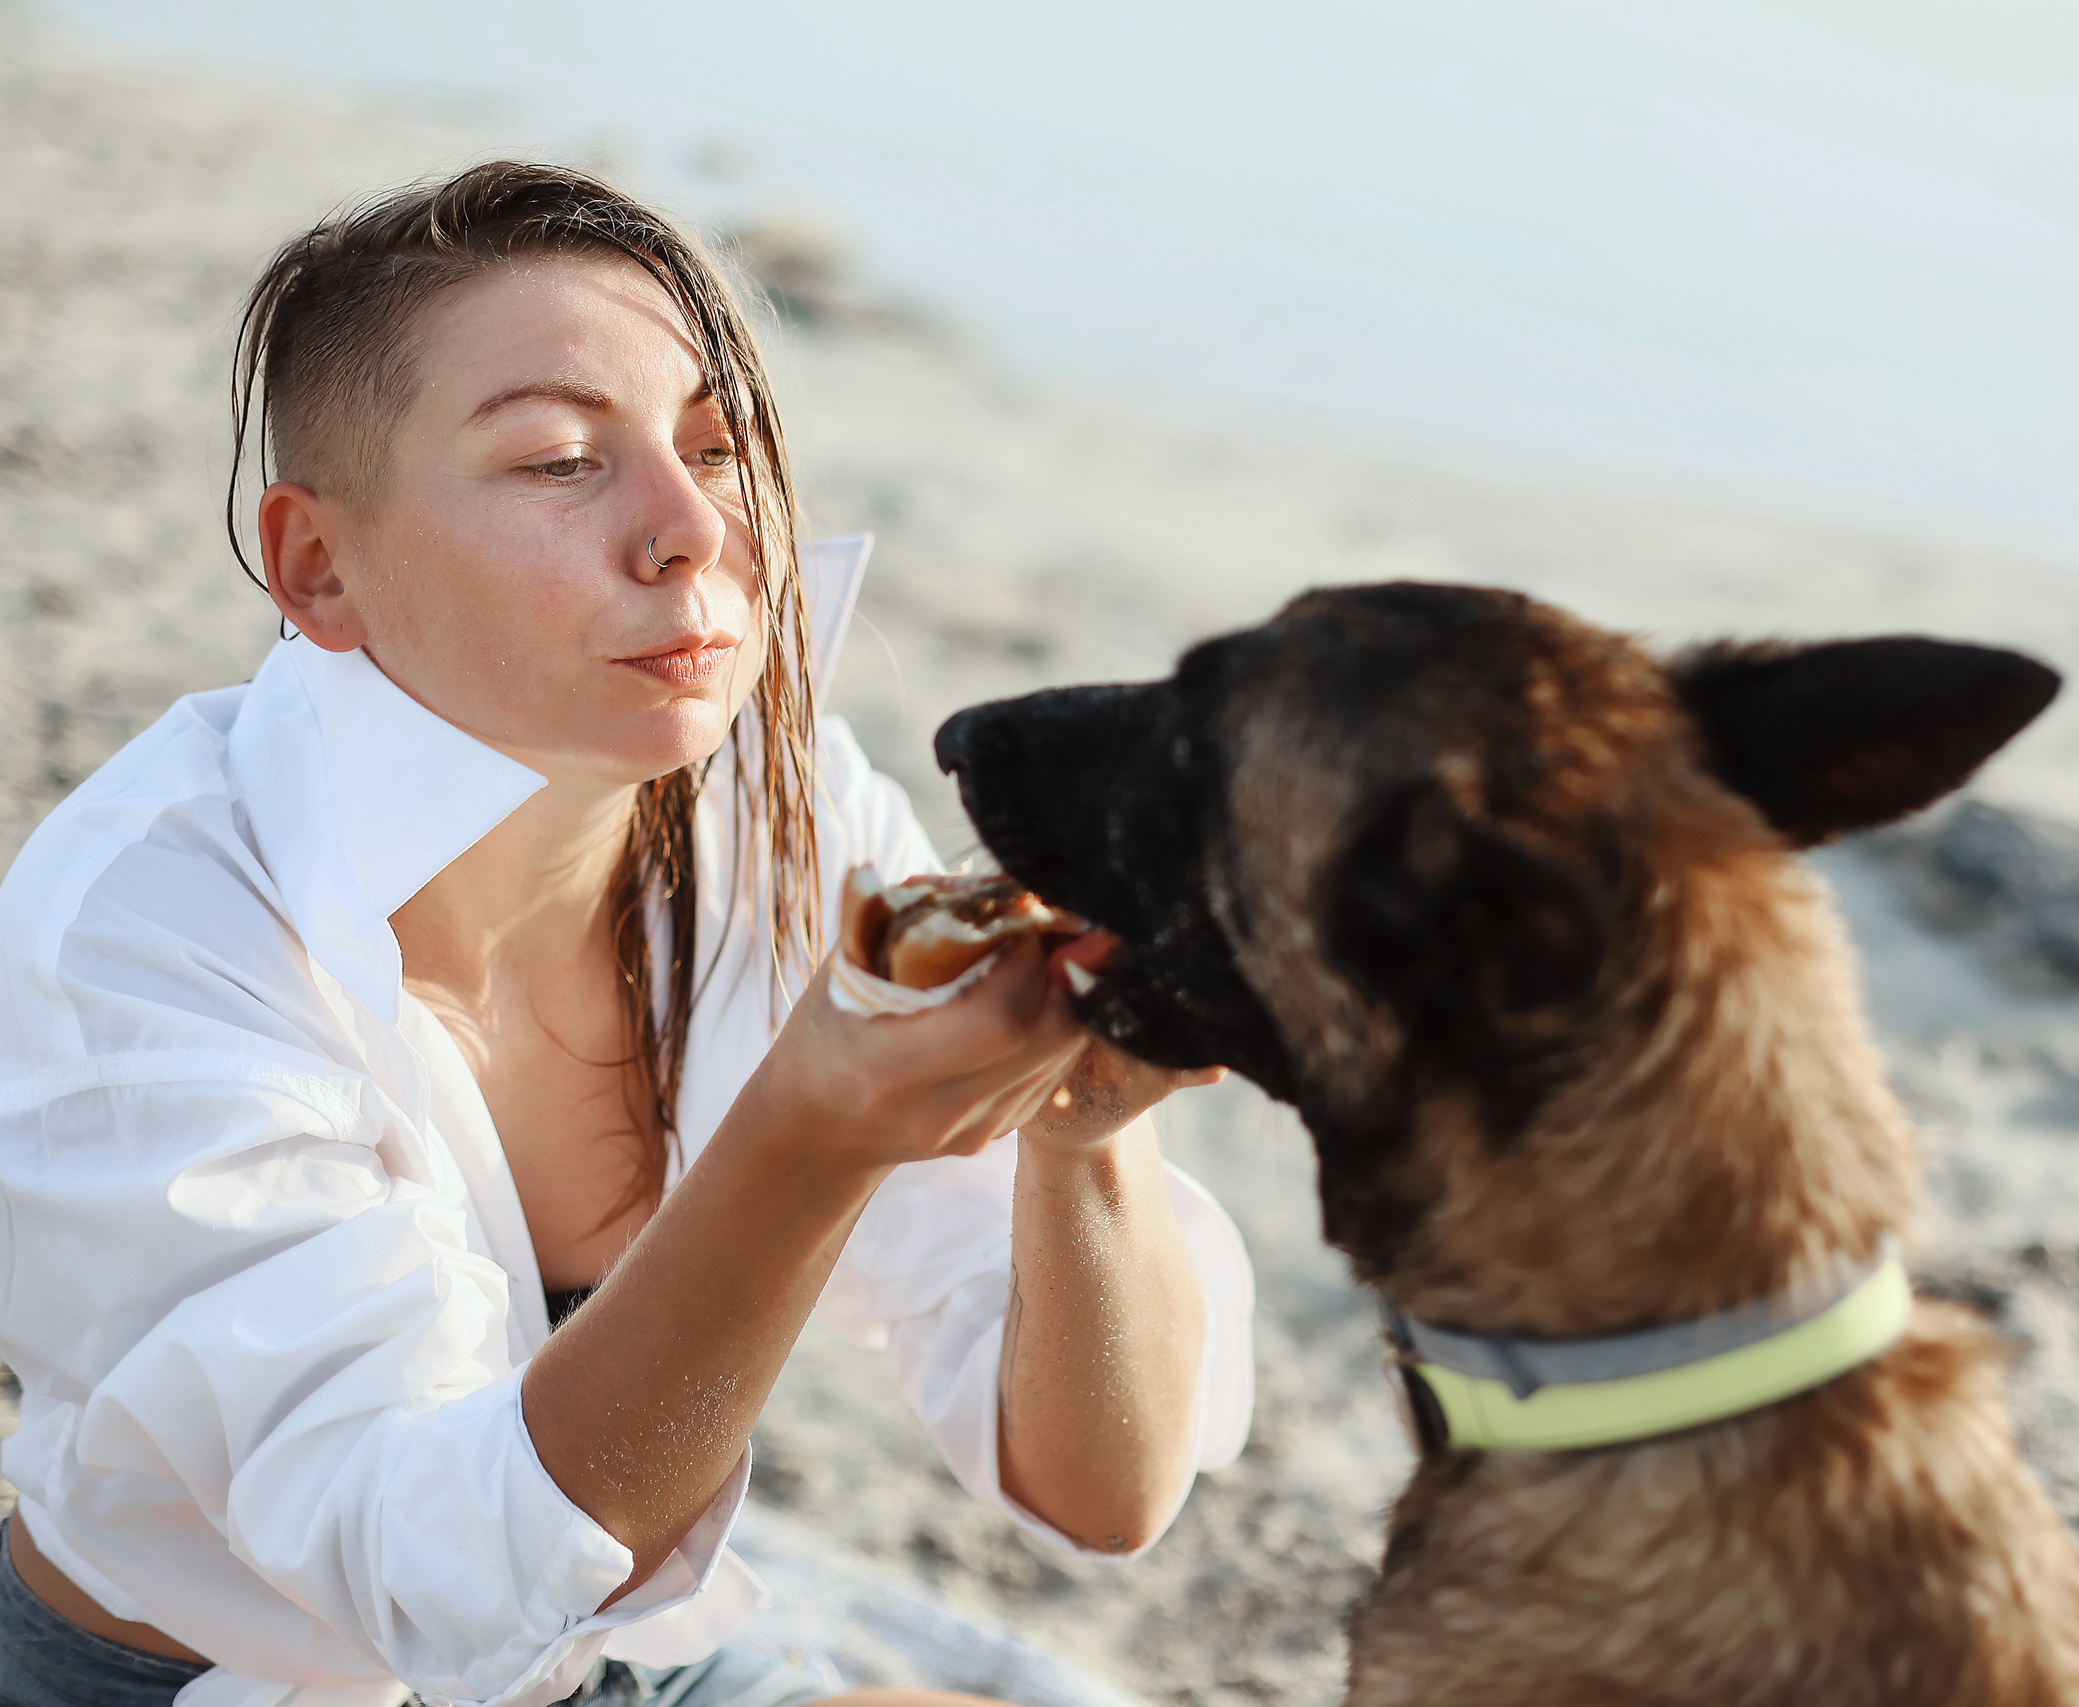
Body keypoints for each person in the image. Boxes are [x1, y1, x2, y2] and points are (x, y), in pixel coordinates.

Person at [0, 163, 1254, 1707]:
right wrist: (807, 1136)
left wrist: (1085, 1139)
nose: (688, 532)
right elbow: (443, 1594)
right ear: (319, 565)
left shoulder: (787, 816)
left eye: (719, 449)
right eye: (558, 463)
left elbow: (1100, 1495)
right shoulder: (145, 932)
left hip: (620, 1650)